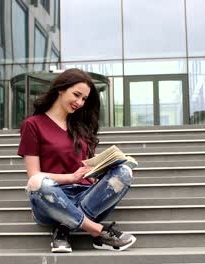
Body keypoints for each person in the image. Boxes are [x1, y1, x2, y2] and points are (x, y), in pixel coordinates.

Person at [18, 68, 136, 253]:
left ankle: (63, 229)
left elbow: (85, 168)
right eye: (76, 95)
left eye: (84, 99)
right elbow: (33, 174)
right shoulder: (33, 125)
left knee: (124, 172)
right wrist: (71, 178)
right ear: (60, 89)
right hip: (52, 199)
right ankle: (98, 231)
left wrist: (98, 172)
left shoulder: (81, 127)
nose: (80, 102)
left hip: (85, 195)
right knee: (36, 182)